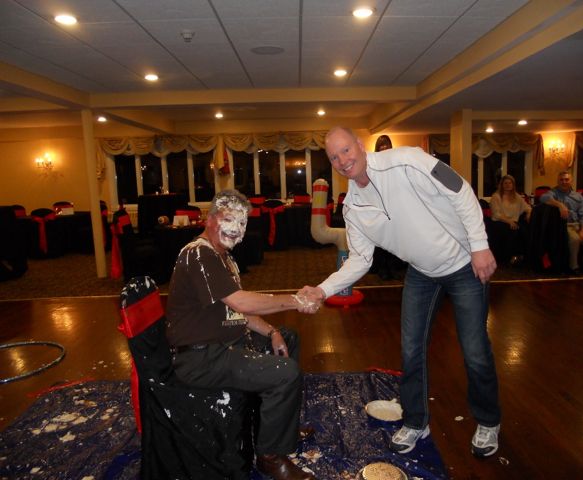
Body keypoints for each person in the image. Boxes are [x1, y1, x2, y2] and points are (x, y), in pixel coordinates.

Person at [299, 127, 501, 457]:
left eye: (346, 150)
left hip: (465, 264)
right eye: (334, 157)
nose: (343, 160)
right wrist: (322, 290)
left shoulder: (407, 160)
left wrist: (479, 245)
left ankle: (489, 421)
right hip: (422, 273)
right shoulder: (352, 207)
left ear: (360, 146)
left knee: (475, 350)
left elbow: (460, 190)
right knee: (411, 350)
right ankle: (416, 421)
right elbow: (361, 259)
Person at [165, 190, 318, 480]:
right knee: (286, 373)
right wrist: (296, 300)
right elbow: (242, 303)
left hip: (223, 342)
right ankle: (270, 456)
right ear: (210, 219)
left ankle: (281, 428)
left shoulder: (223, 258)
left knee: (288, 338)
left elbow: (238, 311)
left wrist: (273, 331)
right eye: (229, 219)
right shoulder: (198, 254)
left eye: (242, 222)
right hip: (200, 357)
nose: (236, 228)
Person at [541, 171, 583, 274]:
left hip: (579, 225)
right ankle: (573, 266)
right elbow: (543, 198)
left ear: (571, 181)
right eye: (561, 180)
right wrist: (560, 205)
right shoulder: (554, 192)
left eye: (566, 179)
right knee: (575, 239)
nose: (564, 182)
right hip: (564, 226)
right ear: (558, 181)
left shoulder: (578, 196)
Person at [369, 134, 407, 280]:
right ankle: (382, 268)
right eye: (381, 147)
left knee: (394, 240)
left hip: (394, 206)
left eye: (386, 146)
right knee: (381, 240)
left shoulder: (395, 164)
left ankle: (393, 267)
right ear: (377, 149)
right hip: (379, 207)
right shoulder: (372, 165)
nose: (384, 149)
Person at [489, 174, 532, 265]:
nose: (508, 185)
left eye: (510, 183)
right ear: (502, 185)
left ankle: (523, 256)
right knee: (513, 231)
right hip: (499, 222)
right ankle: (507, 258)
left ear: (513, 185)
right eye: (505, 183)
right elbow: (496, 214)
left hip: (513, 221)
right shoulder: (496, 196)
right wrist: (509, 222)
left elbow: (527, 207)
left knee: (525, 230)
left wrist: (529, 213)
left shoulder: (517, 197)